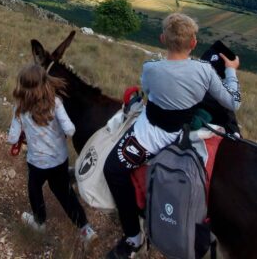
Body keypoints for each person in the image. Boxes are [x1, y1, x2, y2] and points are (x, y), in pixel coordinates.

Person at [103, 13, 241, 259]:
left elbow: (147, 91)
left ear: (162, 39)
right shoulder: (206, 71)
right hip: (186, 135)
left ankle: (134, 237)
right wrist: (230, 71)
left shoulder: (151, 68)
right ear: (194, 44)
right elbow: (233, 101)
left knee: (113, 169)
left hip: (150, 135)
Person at [7, 64, 97, 246]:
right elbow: (70, 129)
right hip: (60, 160)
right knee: (65, 193)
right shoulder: (56, 103)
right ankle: (85, 229)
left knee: (34, 188)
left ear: (22, 86)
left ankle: (39, 222)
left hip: (37, 163)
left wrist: (21, 135)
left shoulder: (19, 108)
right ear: (45, 83)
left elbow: (12, 138)